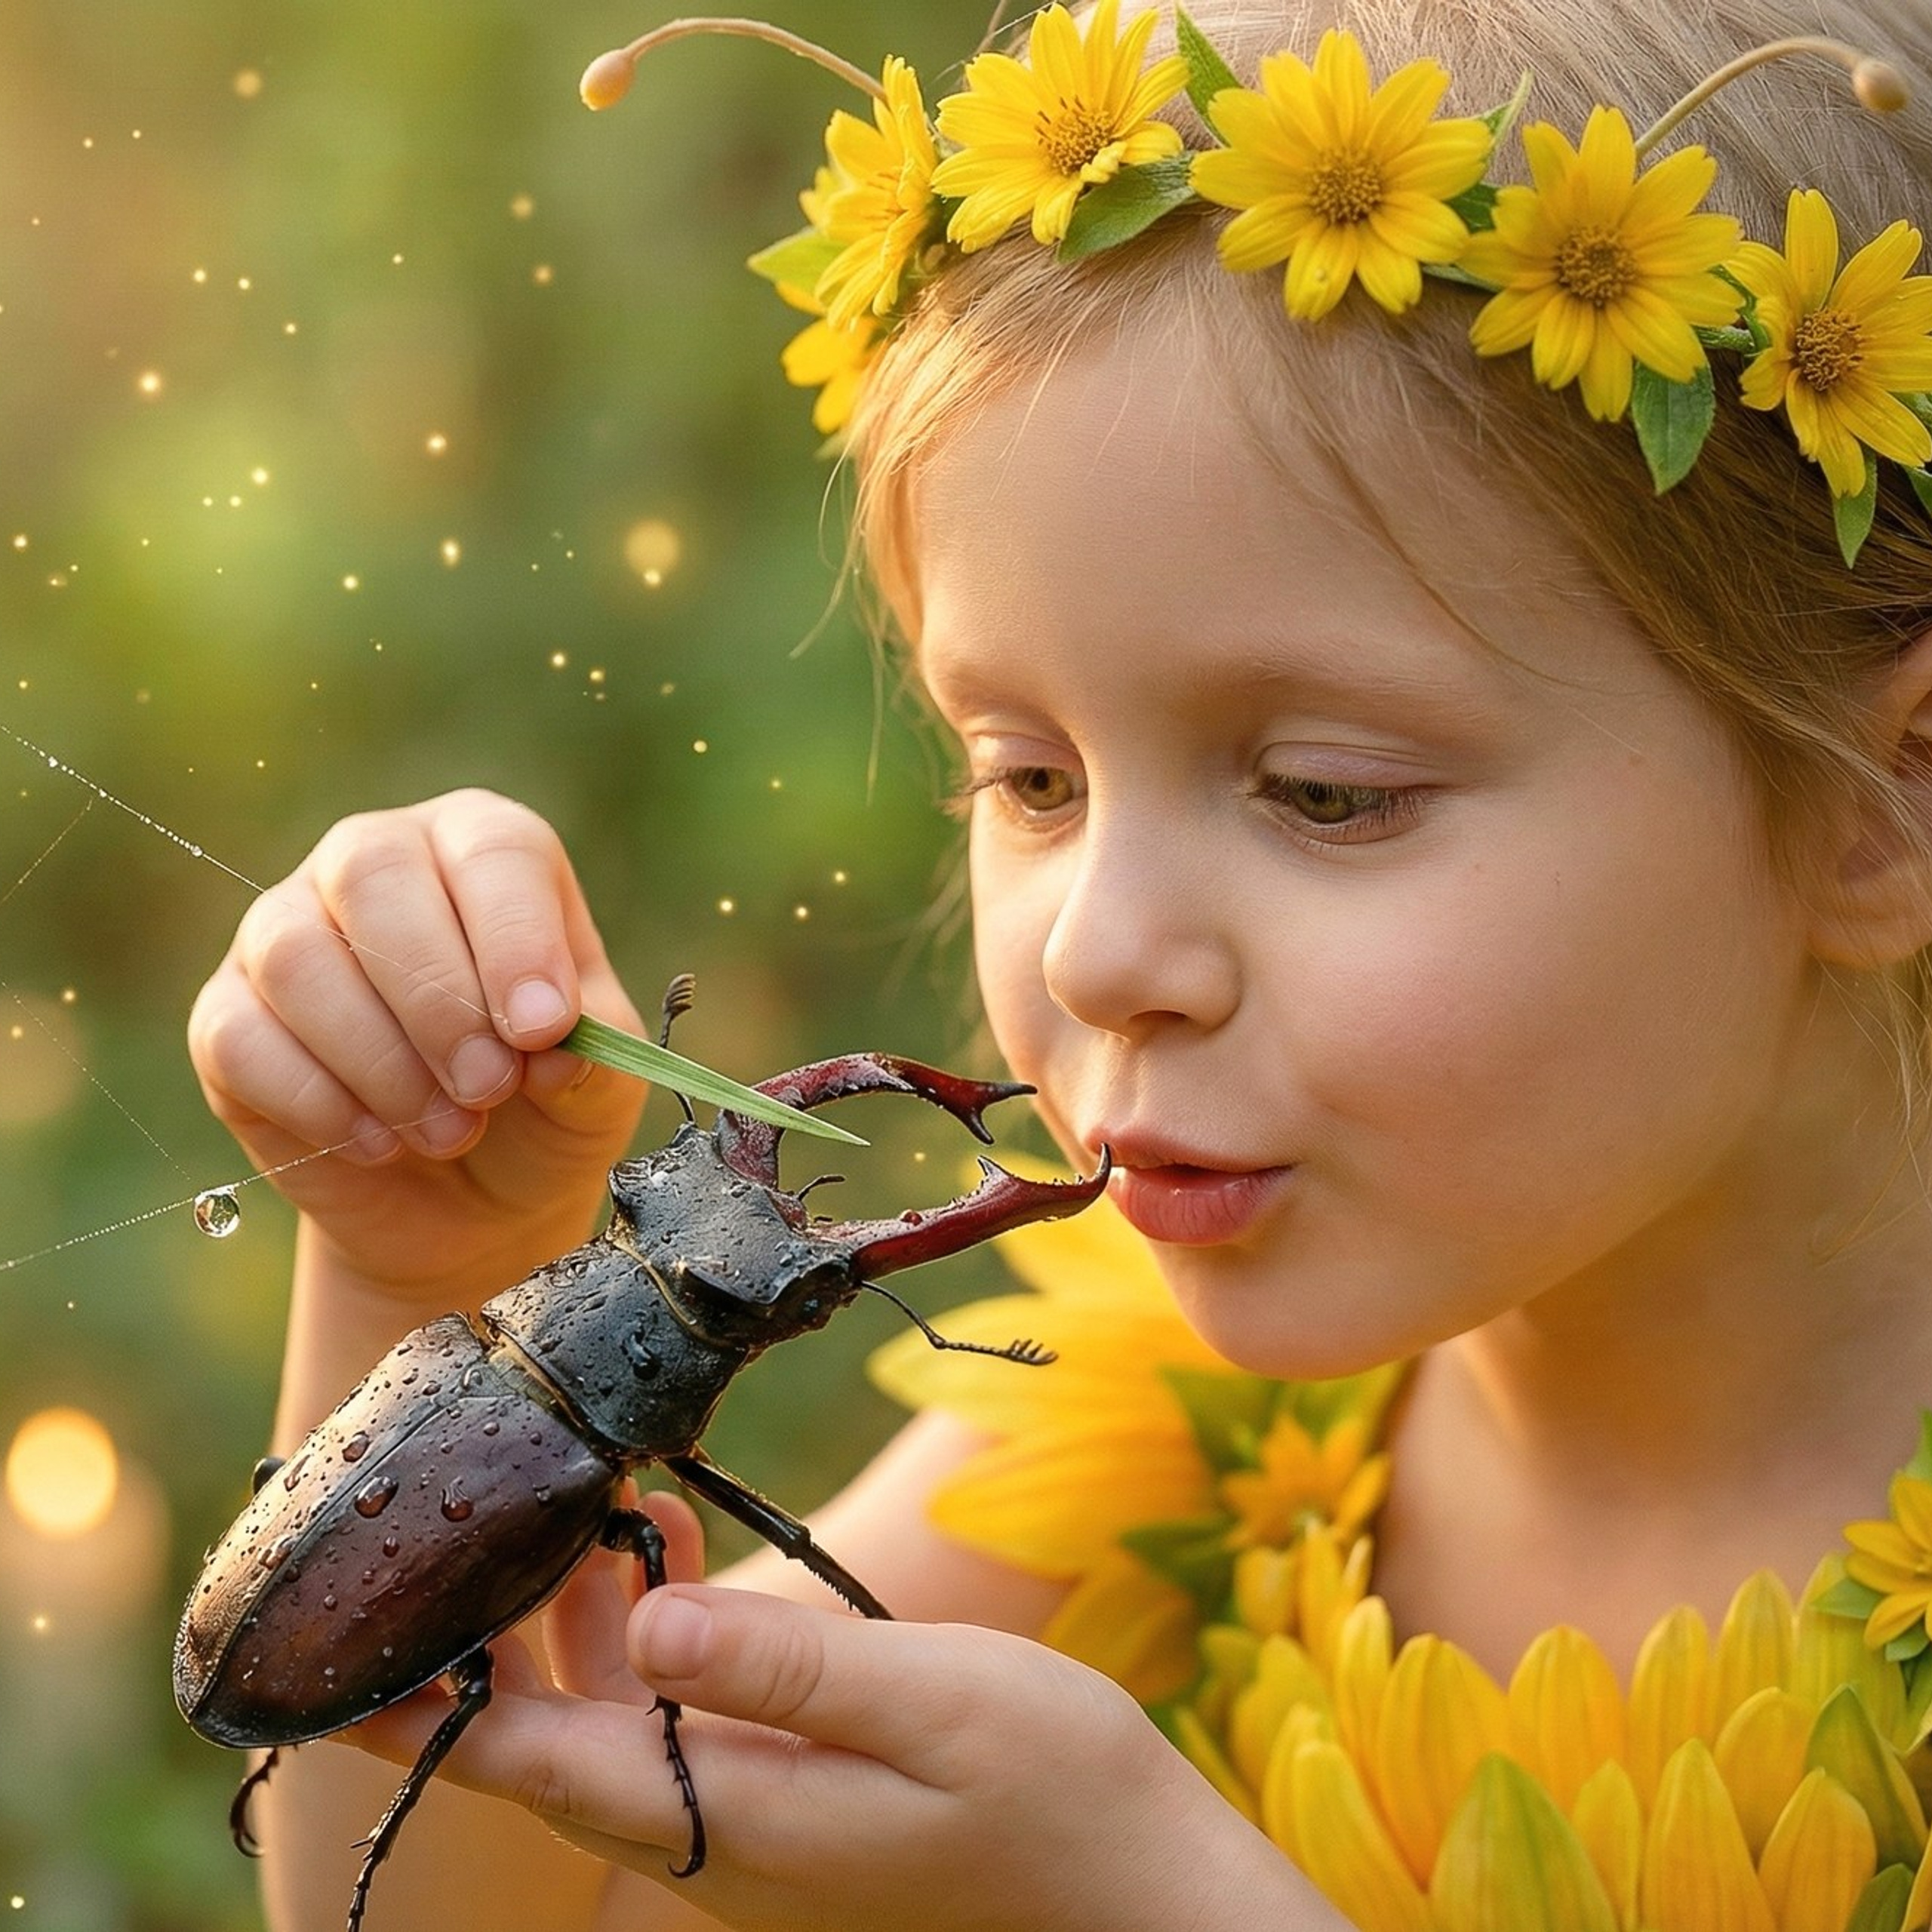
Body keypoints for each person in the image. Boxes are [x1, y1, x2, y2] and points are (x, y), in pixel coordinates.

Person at [186, 0, 1932, 1924]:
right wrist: (426, 1272)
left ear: (1884, 801)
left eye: (1326, 792)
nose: (1100, 948)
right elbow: (535, 1912)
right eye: (1026, 774)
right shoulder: (1179, 1444)